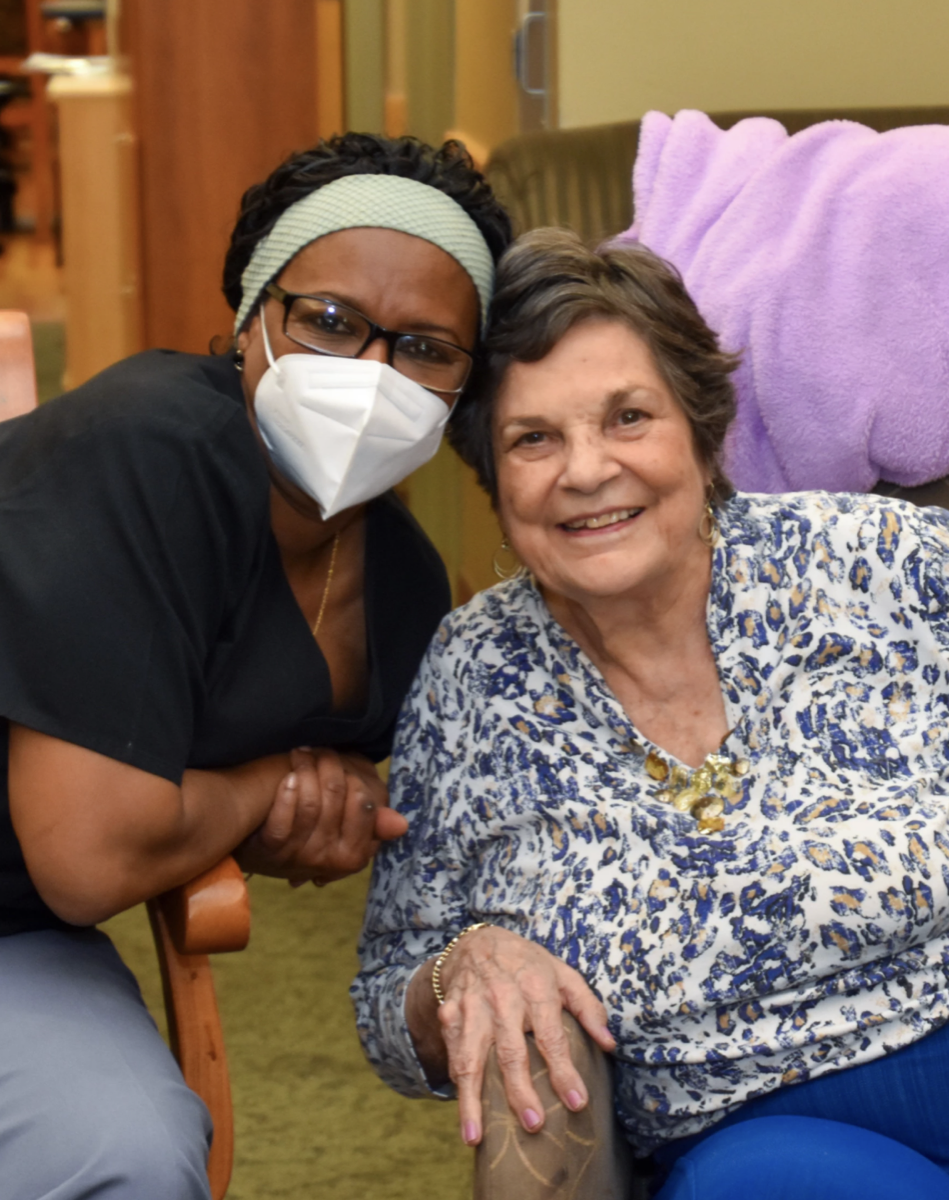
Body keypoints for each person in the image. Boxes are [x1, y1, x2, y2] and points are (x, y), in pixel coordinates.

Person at [353, 227, 949, 1199]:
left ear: (701, 433)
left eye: (627, 417)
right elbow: (386, 1003)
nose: (586, 471)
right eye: (533, 438)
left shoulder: (874, 559)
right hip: (760, 1136)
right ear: (492, 480)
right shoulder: (472, 679)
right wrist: (464, 963)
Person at [0, 132, 512, 1200]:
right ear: (248, 320)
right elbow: (89, 853)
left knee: (131, 1154)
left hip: (20, 940)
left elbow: (363, 816)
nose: (370, 373)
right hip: (49, 893)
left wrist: (319, 811)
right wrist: (265, 790)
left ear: (466, 383)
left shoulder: (407, 588)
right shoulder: (144, 450)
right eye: (328, 322)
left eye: (423, 347)